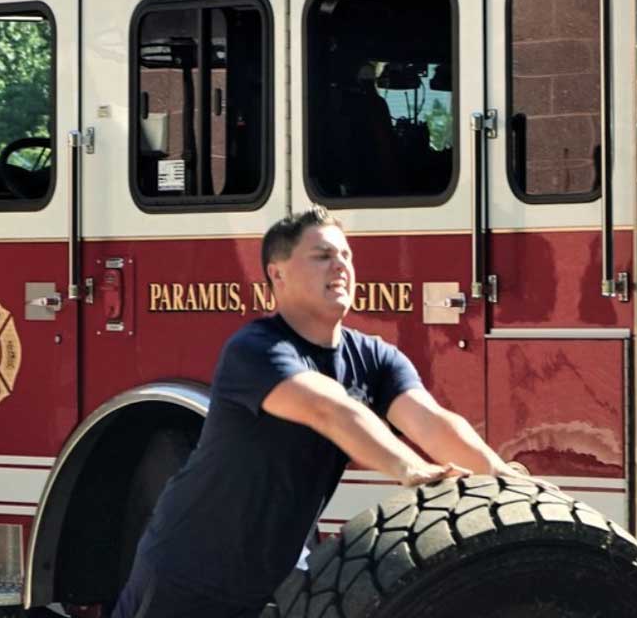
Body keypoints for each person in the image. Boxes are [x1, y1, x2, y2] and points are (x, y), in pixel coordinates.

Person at [111, 206, 534, 618]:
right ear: (277, 274)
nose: (341, 267)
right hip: (188, 570)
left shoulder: (376, 358)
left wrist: (498, 475)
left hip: (269, 579)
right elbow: (329, 410)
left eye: (345, 256)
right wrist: (409, 469)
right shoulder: (257, 350)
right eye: (322, 257)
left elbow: (430, 420)